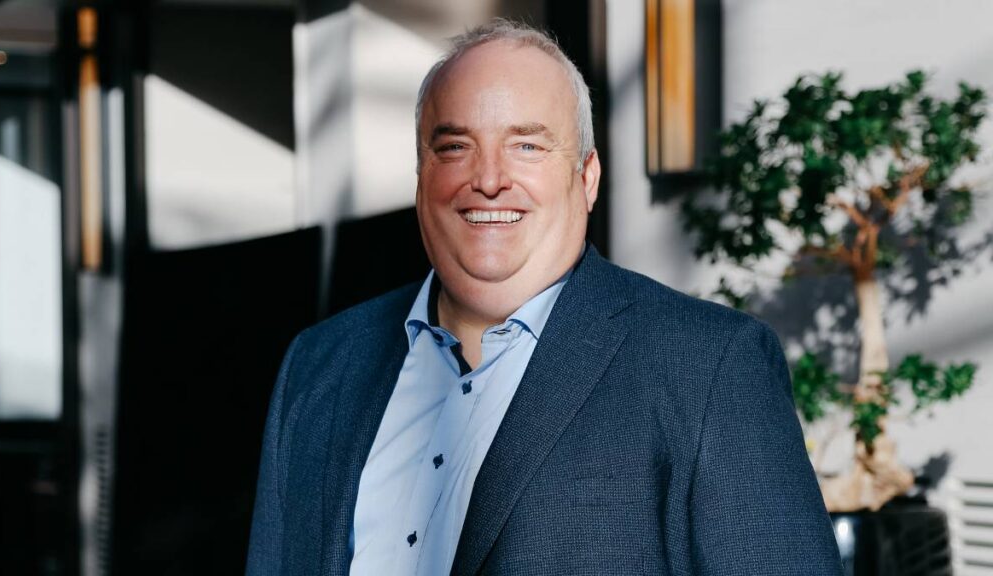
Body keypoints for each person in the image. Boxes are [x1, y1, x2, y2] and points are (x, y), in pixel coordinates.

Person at [246, 20, 842, 576]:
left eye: (527, 146)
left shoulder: (710, 368)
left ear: (587, 177)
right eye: (455, 147)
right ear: (421, 174)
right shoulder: (320, 365)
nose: (488, 179)